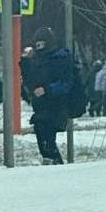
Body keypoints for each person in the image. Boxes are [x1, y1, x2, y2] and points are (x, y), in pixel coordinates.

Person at [20, 27, 74, 165]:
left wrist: (47, 90)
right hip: (41, 107)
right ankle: (53, 163)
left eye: (42, 45)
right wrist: (25, 63)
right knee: (42, 135)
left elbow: (66, 83)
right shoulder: (36, 61)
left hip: (57, 106)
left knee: (47, 138)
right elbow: (30, 82)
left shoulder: (60, 59)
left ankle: (54, 164)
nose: (39, 48)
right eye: (37, 45)